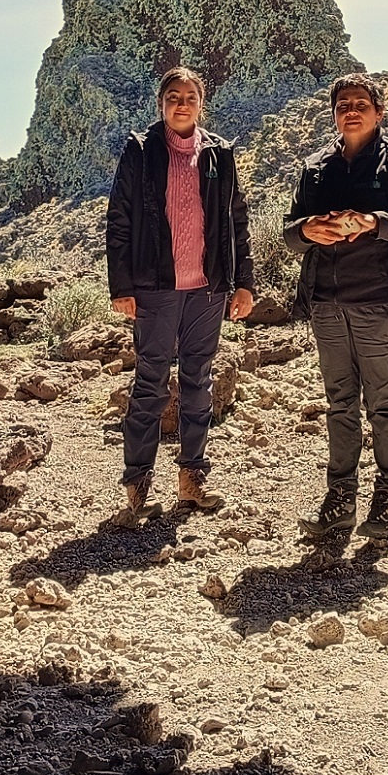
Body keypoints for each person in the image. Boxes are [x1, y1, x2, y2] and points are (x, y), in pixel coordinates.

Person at [285, 72, 388, 542]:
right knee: (339, 405)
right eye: (342, 105)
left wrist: (376, 222)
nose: (351, 111)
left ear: (379, 111)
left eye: (360, 104)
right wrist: (308, 230)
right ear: (334, 113)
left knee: (383, 404)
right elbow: (290, 234)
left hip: (378, 303)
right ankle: (340, 499)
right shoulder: (315, 169)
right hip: (326, 304)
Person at [104, 66, 255, 525]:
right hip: (156, 287)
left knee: (199, 382)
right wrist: (122, 286)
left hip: (207, 289)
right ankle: (137, 484)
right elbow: (120, 220)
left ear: (201, 103)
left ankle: (192, 480)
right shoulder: (141, 151)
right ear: (161, 104)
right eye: (173, 96)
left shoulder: (219, 154)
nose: (182, 104)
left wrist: (243, 282)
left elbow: (236, 222)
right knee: (150, 383)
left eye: (190, 96)